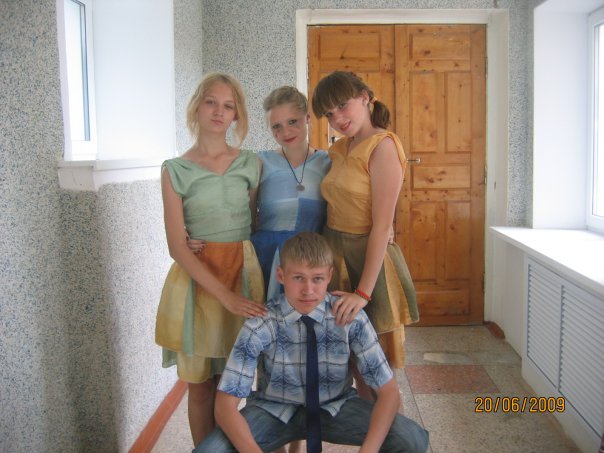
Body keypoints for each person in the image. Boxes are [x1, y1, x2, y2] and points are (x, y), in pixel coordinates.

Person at [193, 232, 429, 453]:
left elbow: (388, 393)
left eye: (317, 279)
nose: (308, 290)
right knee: (210, 451)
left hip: (335, 407)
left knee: (411, 438)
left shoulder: (350, 317)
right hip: (273, 410)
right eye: (298, 278)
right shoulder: (261, 324)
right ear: (281, 276)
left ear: (329, 276)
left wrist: (368, 451)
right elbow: (225, 406)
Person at [155, 72, 267, 447]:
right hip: (200, 281)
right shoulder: (174, 169)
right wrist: (225, 297)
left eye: (228, 106)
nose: (219, 112)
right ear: (196, 107)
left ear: (237, 114)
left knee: (231, 386)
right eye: (211, 102)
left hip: (243, 275)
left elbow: (254, 223)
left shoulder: (251, 163)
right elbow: (176, 246)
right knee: (201, 386)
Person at [311, 71, 419, 400]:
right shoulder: (339, 148)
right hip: (335, 256)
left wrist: (363, 293)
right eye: (329, 114)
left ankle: (390, 430)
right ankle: (366, 428)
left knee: (377, 372)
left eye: (342, 106)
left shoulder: (383, 146)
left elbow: (382, 227)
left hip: (368, 261)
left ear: (365, 98)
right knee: (355, 366)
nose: (337, 119)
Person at [251, 86, 331, 301]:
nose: (285, 132)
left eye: (292, 122)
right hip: (268, 257)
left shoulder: (327, 162)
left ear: (307, 118)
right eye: (276, 126)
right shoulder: (261, 162)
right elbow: (246, 217)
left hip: (312, 261)